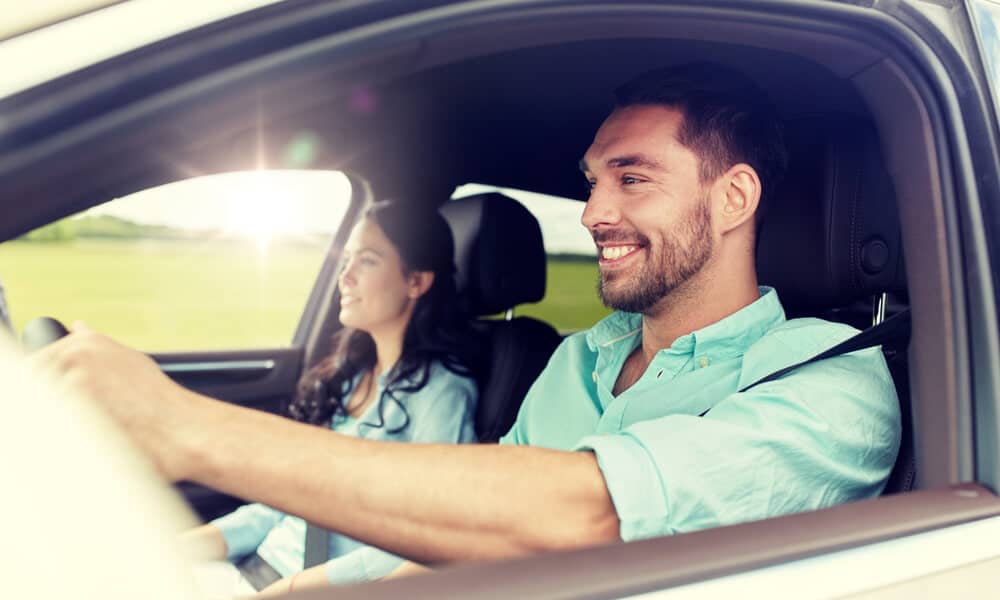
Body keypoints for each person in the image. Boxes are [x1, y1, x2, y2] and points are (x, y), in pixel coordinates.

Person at [35, 63, 900, 577]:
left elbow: (591, 515)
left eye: (631, 178)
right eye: (591, 180)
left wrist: (184, 428)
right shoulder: (576, 361)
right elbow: (472, 519)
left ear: (735, 196)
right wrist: (305, 590)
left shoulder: (829, 381)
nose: (594, 212)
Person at [180, 201, 479, 596]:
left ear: (416, 282)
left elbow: (433, 542)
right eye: (347, 260)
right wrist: (186, 546)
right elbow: (287, 502)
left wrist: (297, 587)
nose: (346, 277)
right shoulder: (350, 377)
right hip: (249, 570)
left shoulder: (443, 394)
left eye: (367, 262)